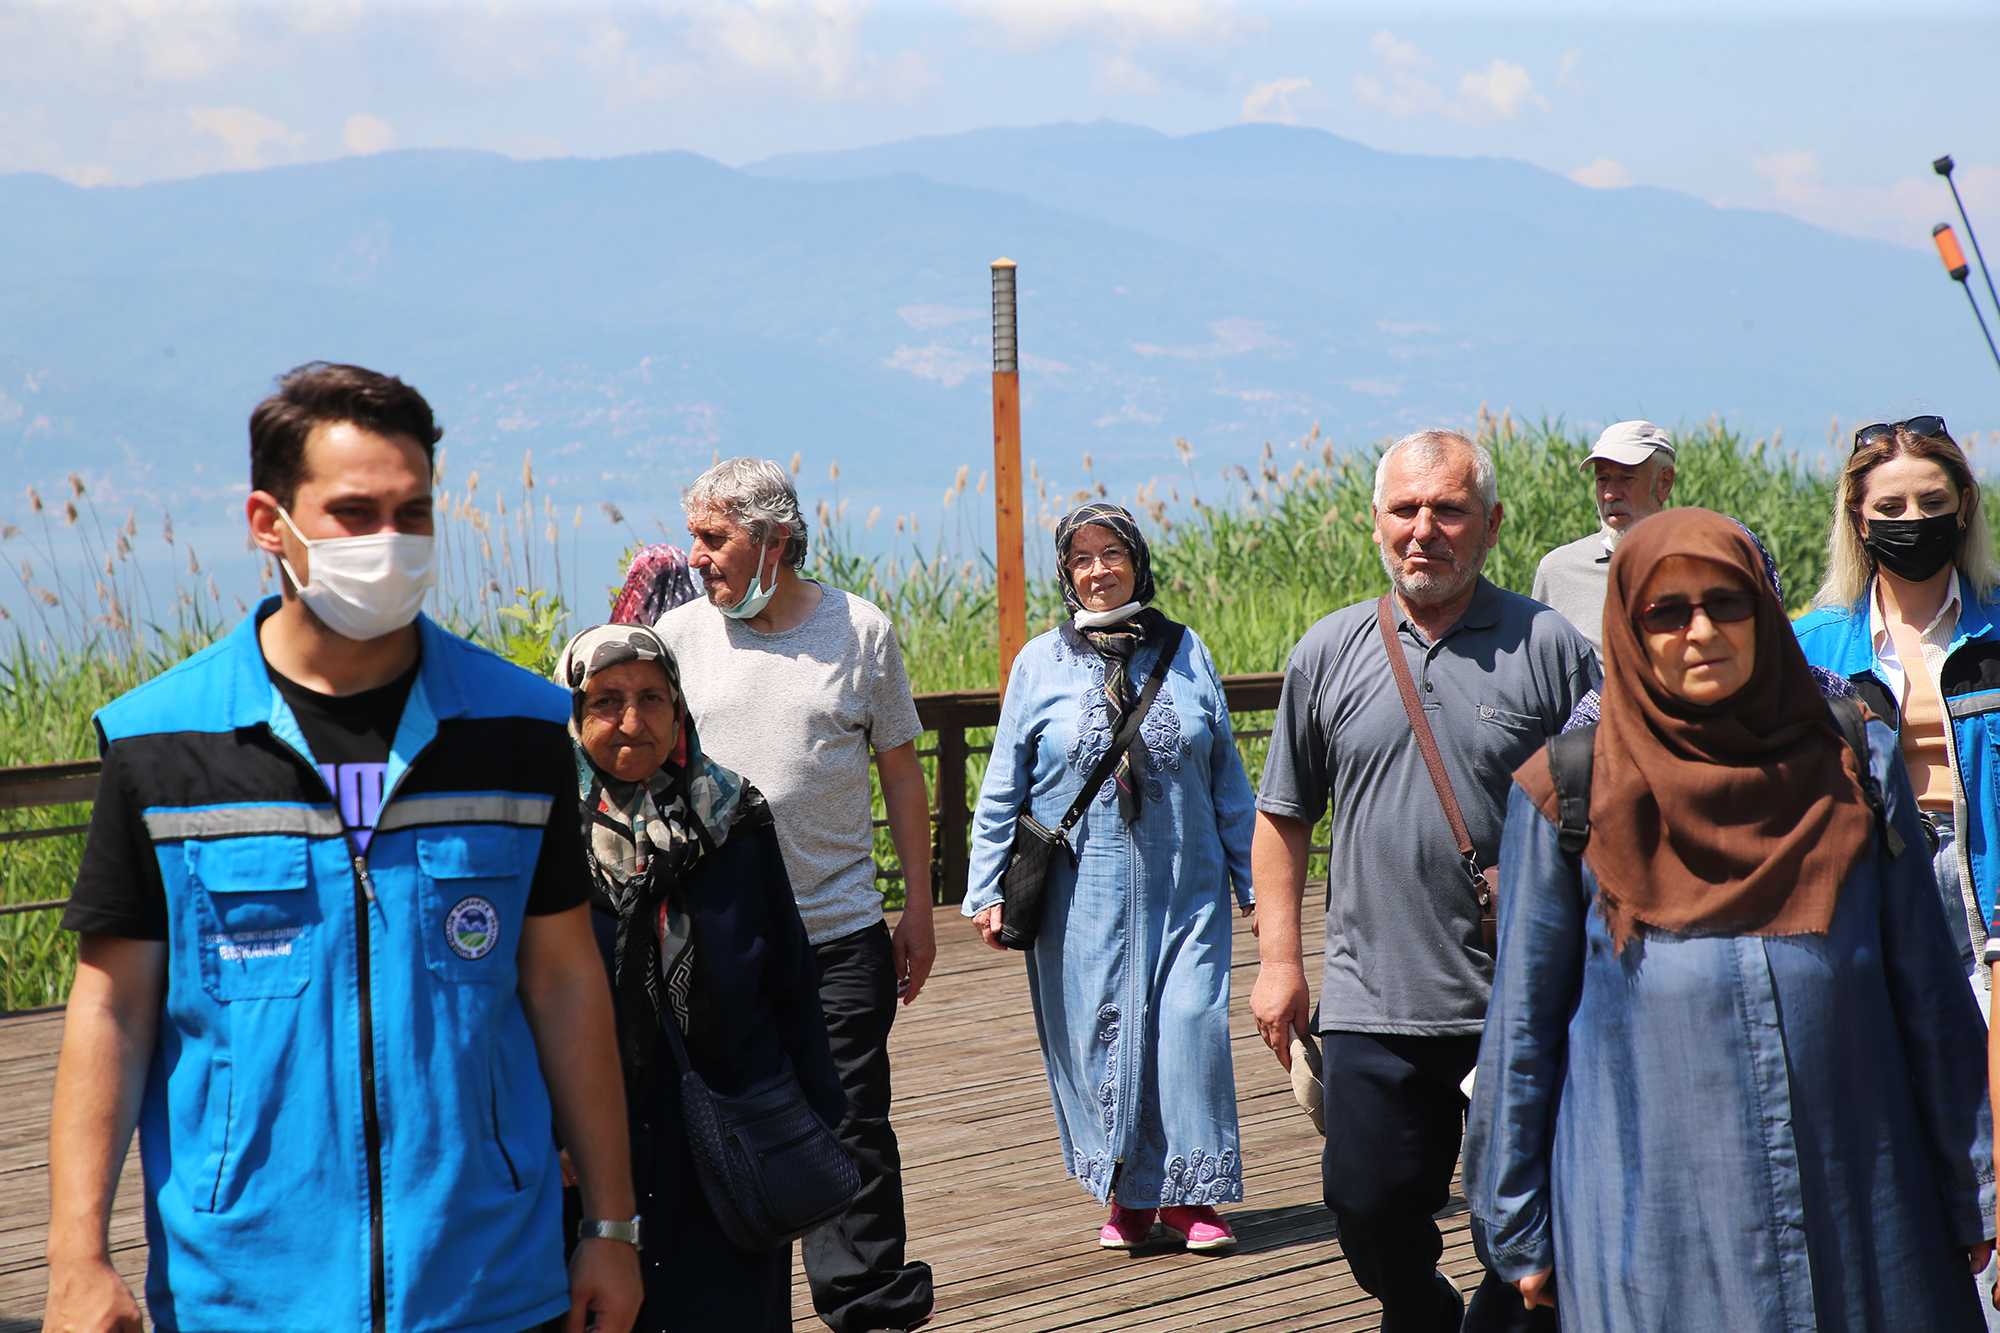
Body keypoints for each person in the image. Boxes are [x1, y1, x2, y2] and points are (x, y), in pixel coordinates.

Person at [43, 363, 641, 1333]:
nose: (389, 543)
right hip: (243, 1294)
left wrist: (612, 1223)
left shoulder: (520, 726)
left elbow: (566, 981)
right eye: (354, 513)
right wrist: (78, 1256)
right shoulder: (163, 746)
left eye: (413, 513)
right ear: (266, 522)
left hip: (487, 1285)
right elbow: (111, 1008)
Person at [1466, 506, 1995, 1332]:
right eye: (1667, 612)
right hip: (1652, 1229)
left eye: (1727, 602)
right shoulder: (1568, 792)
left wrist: (1976, 1189)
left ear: (1763, 609)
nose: (1701, 630)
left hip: (1862, 1200)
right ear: (1629, 628)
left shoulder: (1852, 760)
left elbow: (1927, 989)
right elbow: (1523, 1028)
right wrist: (1516, 1224)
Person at [1250, 428, 1597, 1332]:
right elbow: (1283, 815)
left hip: (1518, 1000)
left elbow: (1601, 808)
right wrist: (1279, 962)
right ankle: (1416, 1302)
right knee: (1365, 1205)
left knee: (1520, 1224)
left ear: (1489, 525)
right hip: (1375, 994)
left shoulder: (1549, 646)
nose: (1425, 530)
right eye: (1406, 509)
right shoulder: (1328, 651)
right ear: (1376, 522)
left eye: (1448, 510)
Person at [655, 457, 935, 1333]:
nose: (696, 556)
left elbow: (901, 772)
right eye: (695, 536)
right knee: (732, 1124)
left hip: (839, 927)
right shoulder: (677, 637)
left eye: (713, 537)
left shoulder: (861, 630)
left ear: (774, 539)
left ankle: (869, 1308)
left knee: (849, 1122)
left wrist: (920, 908)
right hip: (720, 937)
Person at [962, 502, 1258, 1252]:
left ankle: (1195, 1197)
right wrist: (986, 887)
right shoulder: (1040, 662)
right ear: (1067, 573)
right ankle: (1130, 1194)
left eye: (1112, 553)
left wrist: (1257, 882)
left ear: (1137, 559)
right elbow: (1004, 784)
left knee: (1189, 1026)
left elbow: (1228, 776)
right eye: (1082, 559)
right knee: (1103, 1036)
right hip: (1078, 896)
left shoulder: (1187, 651)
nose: (1099, 570)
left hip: (1186, 885)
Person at [554, 623, 847, 1333]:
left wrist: (814, 1111)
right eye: (606, 700)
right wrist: (544, 1130)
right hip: (588, 1144)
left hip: (732, 1129)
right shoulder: (544, 833)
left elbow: (789, 970)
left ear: (680, 707)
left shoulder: (733, 815)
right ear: (572, 713)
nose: (632, 720)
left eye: (653, 697)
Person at [1794, 416, 2000, 985]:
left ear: (1963, 507)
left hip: (1989, 879)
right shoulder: (1811, 647)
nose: (1914, 519)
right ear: (1859, 520)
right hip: (1870, 884)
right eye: (1891, 507)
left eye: (1932, 501)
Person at [1530, 420, 1676, 649]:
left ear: (1664, 482)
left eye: (1627, 478)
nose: (1610, 494)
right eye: (1602, 479)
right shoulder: (1558, 570)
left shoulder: (1696, 563)